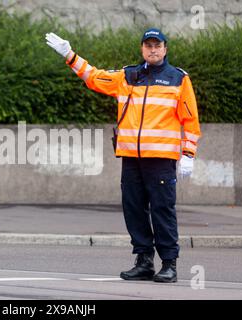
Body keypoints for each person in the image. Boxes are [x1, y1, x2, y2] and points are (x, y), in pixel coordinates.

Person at [45, 28, 201, 283]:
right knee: (134, 209)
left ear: (165, 49)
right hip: (131, 157)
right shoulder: (128, 76)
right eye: (148, 45)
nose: (152, 49)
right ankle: (144, 261)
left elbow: (191, 120)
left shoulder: (178, 79)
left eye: (157, 45)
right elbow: (94, 77)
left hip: (161, 159)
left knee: (162, 210)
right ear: (142, 49)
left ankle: (169, 264)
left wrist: (188, 154)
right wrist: (70, 55)